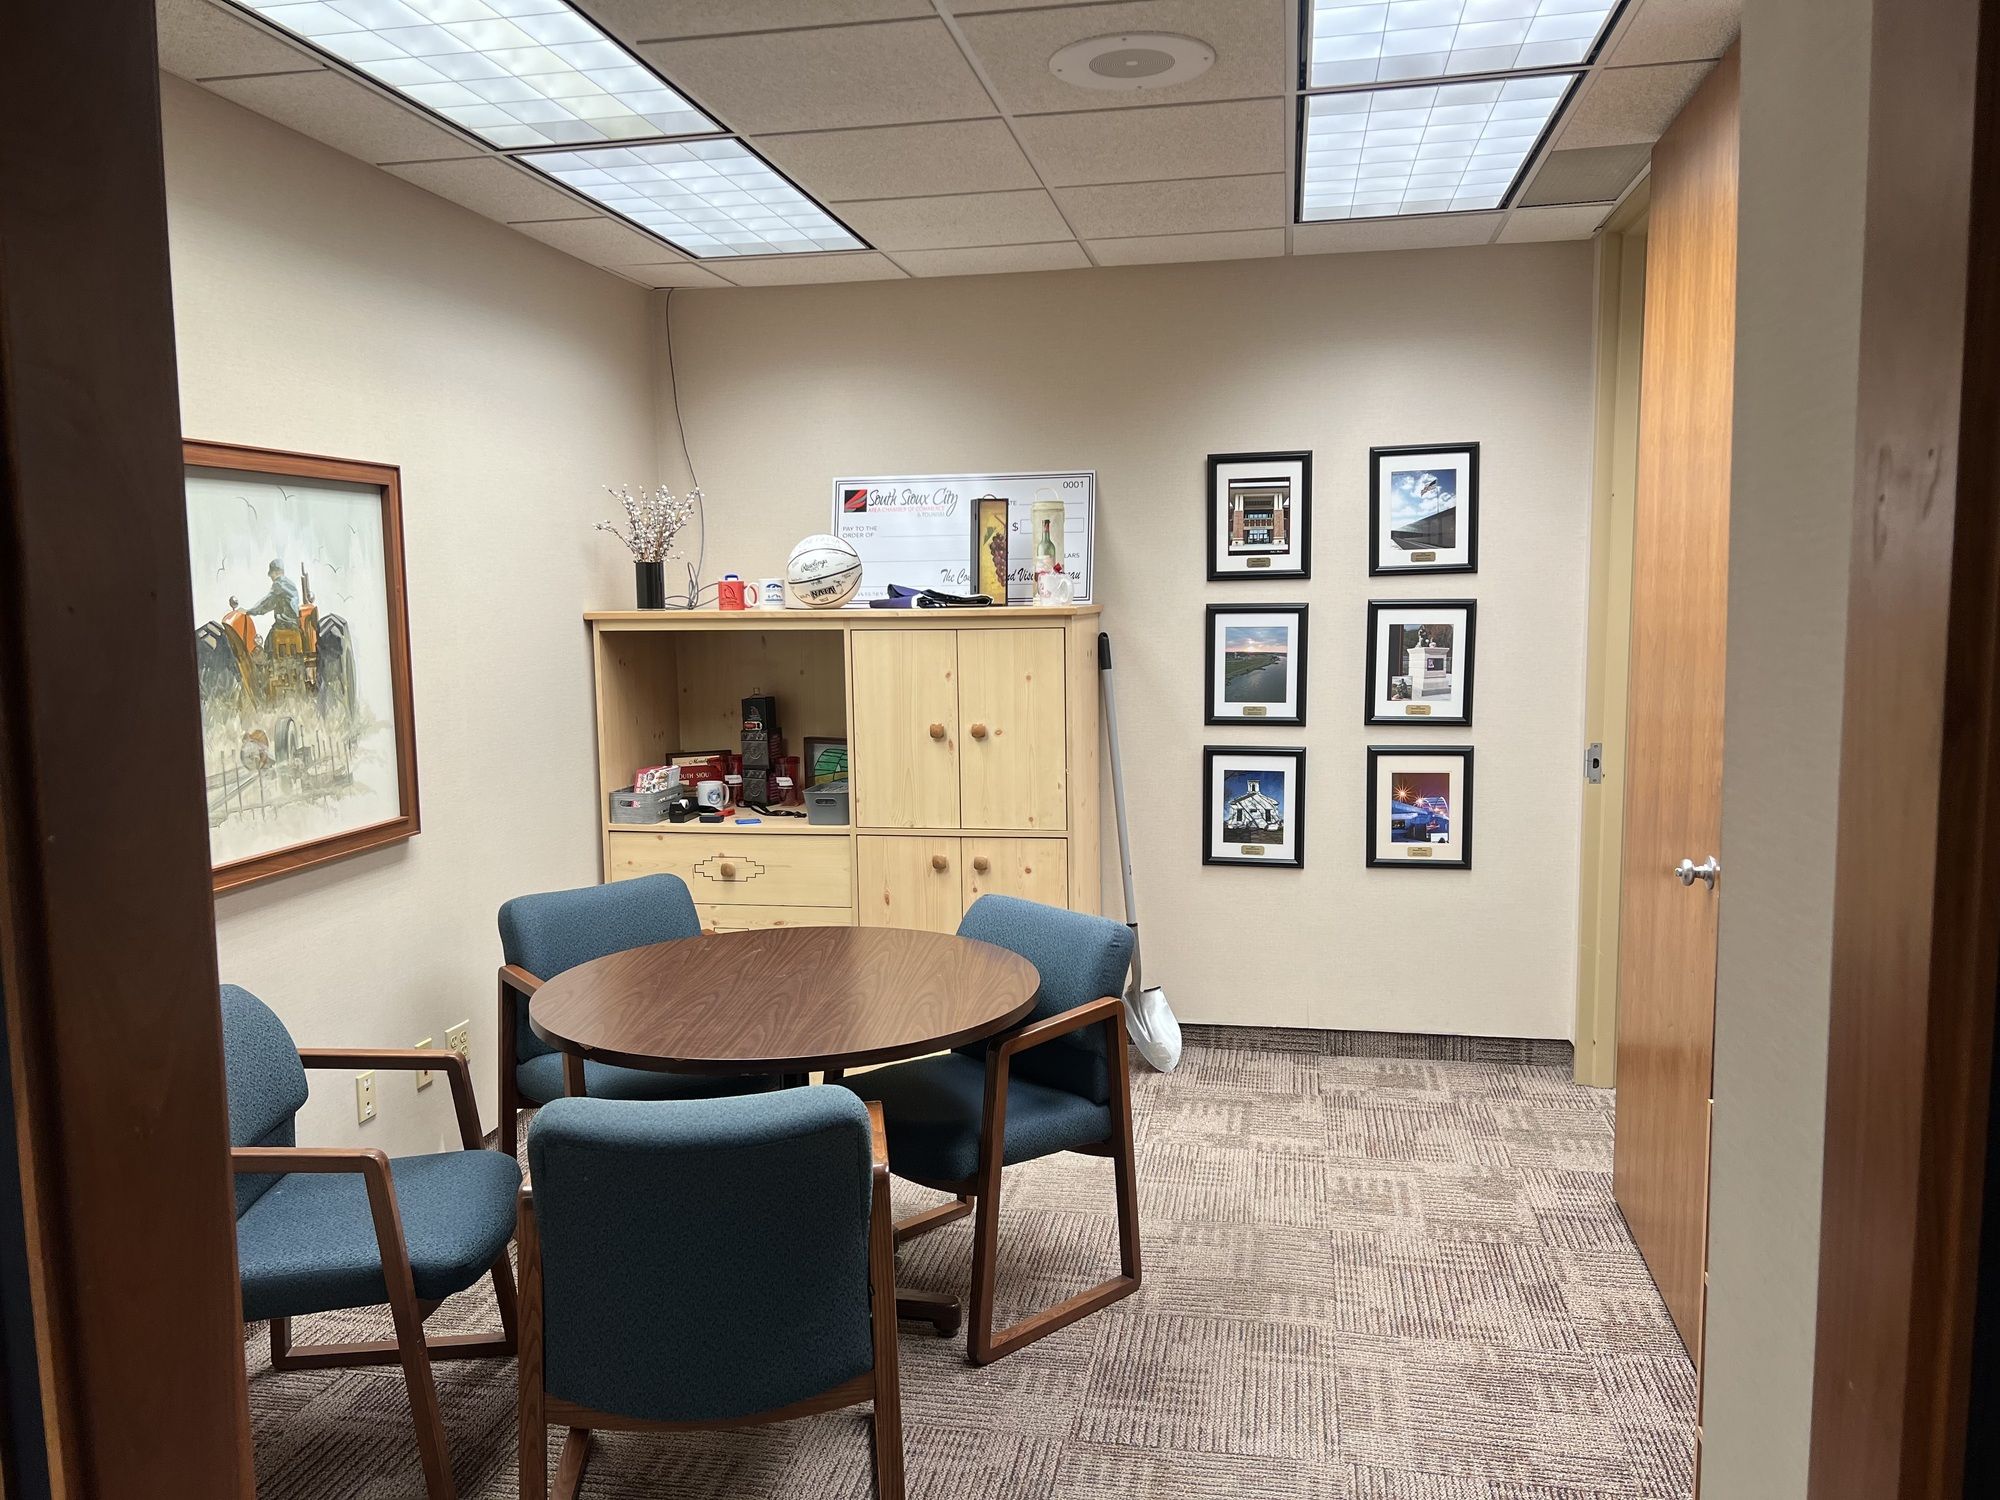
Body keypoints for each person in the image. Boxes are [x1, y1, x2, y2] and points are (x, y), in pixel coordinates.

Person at [244, 558, 300, 637]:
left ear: (276, 572)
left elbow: (267, 603)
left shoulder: (279, 584)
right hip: (294, 624)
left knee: (268, 641)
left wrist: (249, 611)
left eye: (271, 574)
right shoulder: (291, 584)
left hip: (284, 625)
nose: (271, 577)